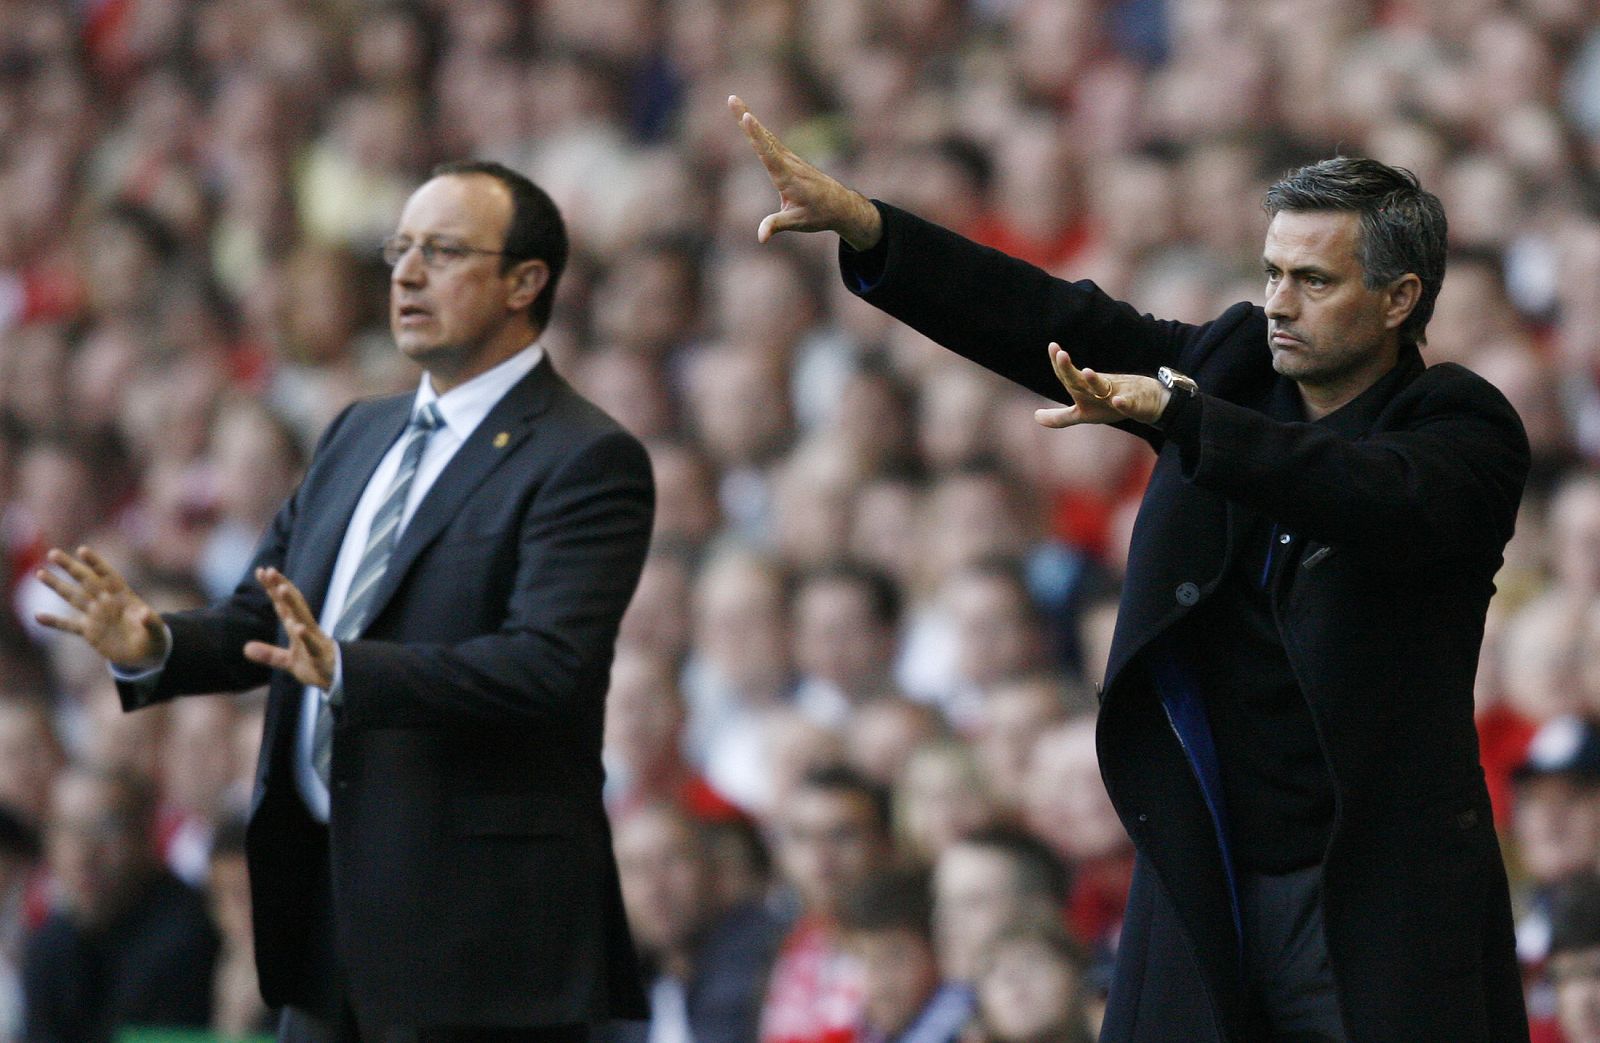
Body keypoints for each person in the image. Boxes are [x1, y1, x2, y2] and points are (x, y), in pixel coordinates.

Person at [730, 97, 1531, 1041]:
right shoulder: (1233, 363)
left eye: (1312, 281)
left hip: (1374, 901)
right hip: (1209, 876)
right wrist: (871, 229)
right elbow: (1053, 319)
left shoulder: (1461, 428)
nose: (1278, 302)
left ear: (1400, 299)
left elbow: (1361, 491)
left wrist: (1183, 418)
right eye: (1271, 272)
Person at [34, 159, 655, 1041]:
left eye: (442, 252)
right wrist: (154, 643)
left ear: (526, 282)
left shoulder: (585, 457)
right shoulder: (359, 429)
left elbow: (546, 666)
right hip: (327, 911)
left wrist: (351, 669)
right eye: (398, 249)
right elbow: (265, 619)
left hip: (476, 942)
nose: (404, 274)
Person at [21, 766, 219, 1042]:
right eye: (67, 829)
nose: (84, 853)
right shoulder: (50, 943)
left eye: (106, 829)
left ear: (146, 834)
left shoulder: (189, 935)